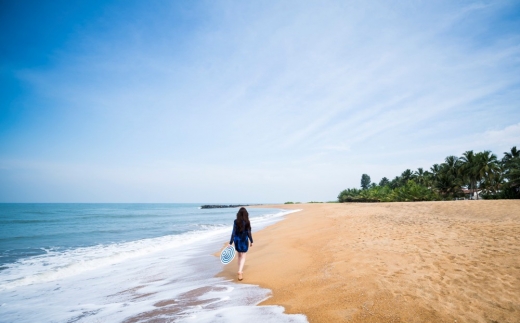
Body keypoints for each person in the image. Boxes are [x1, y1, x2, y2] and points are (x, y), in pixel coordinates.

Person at [229, 207, 253, 281]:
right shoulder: (247, 221)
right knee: (243, 256)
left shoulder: (236, 221)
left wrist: (230, 242)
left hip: (237, 241)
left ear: (238, 214)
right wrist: (251, 241)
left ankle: (240, 270)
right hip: (244, 240)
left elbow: (233, 232)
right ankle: (240, 271)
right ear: (246, 214)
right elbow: (249, 232)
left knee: (239, 256)